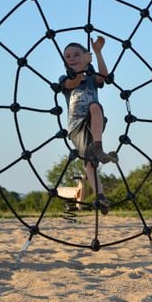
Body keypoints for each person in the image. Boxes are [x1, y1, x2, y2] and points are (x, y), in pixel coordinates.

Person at [59, 36, 117, 214]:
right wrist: (83, 64)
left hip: (94, 123)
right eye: (68, 56)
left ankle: (98, 147)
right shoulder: (65, 79)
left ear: (86, 56)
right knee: (89, 162)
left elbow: (104, 77)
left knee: (95, 106)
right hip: (76, 127)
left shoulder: (92, 78)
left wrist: (98, 53)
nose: (72, 58)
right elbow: (73, 82)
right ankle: (100, 196)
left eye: (77, 54)